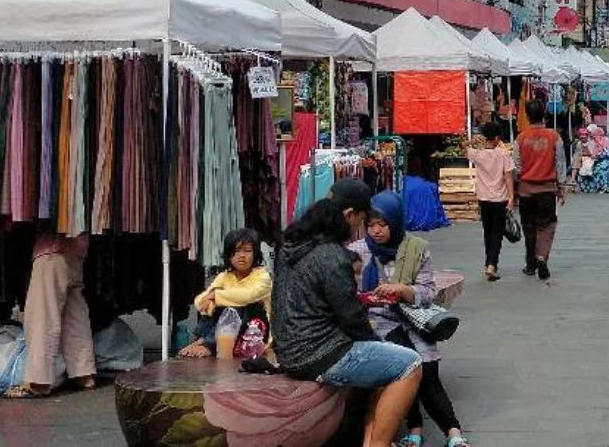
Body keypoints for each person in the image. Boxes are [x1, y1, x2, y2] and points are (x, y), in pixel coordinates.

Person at [272, 179, 422, 447]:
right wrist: (375, 341)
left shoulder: (289, 246)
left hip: (288, 351)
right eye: (362, 220)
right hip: (320, 354)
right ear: (349, 214)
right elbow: (351, 317)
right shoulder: (332, 255)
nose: (360, 229)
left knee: (386, 360)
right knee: (410, 363)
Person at [348, 193, 470, 447]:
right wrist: (367, 298)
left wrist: (404, 291)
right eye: (371, 225)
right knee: (404, 364)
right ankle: (415, 427)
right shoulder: (356, 251)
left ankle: (453, 433)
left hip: (413, 320)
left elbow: (427, 292)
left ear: (395, 220)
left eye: (382, 224)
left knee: (427, 368)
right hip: (377, 323)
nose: (376, 231)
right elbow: (346, 292)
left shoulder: (416, 247)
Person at [7, 233, 96, 398]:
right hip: (76, 250)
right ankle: (83, 373)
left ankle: (38, 381)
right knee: (74, 315)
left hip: (51, 250)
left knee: (43, 315)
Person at [180, 228, 273, 359]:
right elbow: (200, 301)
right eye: (236, 251)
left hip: (255, 331)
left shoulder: (263, 276)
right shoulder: (224, 276)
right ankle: (202, 340)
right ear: (229, 254)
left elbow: (248, 296)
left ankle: (208, 344)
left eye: (247, 251)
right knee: (215, 304)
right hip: (226, 332)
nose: (242, 255)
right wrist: (211, 301)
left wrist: (216, 296)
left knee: (236, 305)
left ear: (255, 254)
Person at [514, 99, 566, 280]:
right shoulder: (554, 137)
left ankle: (530, 264)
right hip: (547, 190)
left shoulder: (520, 138)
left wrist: (515, 188)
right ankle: (542, 257)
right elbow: (560, 163)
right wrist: (562, 187)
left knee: (529, 227)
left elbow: (516, 167)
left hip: (526, 190)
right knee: (547, 225)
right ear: (544, 114)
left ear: (528, 117)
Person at [466, 122, 515, 282]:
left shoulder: (477, 154)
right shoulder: (503, 154)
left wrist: (474, 141)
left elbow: (463, 145)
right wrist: (511, 197)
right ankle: (492, 265)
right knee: (497, 234)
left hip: (483, 198)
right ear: (496, 138)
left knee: (488, 232)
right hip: (499, 198)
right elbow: (508, 176)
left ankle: (489, 263)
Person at [576, 125, 609, 194]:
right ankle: (589, 188)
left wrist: (597, 156)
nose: (594, 137)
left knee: (601, 168)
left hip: (606, 161)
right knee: (586, 168)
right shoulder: (596, 143)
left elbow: (606, 153)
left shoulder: (606, 142)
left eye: (595, 135)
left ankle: (605, 187)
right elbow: (593, 153)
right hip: (596, 160)